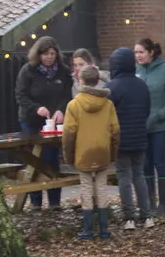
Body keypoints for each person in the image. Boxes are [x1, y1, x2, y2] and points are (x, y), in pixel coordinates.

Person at [62, 65, 119, 239]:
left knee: (86, 189)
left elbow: (69, 134)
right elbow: (115, 131)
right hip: (102, 151)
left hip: (83, 153)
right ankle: (104, 229)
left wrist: (69, 156)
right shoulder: (108, 104)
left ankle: (87, 229)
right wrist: (112, 154)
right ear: (97, 80)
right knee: (101, 188)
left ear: (81, 80)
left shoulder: (74, 105)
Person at [15, 36, 71, 210]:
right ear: (38, 54)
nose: (49, 57)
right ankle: (36, 201)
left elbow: (66, 95)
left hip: (53, 121)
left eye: (52, 54)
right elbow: (20, 95)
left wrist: (61, 109)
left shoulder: (63, 71)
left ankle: (55, 201)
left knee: (51, 158)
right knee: (34, 159)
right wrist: (35, 108)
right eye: (45, 54)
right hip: (32, 120)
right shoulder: (28, 71)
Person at [107, 47, 155, 229]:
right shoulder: (141, 85)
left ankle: (129, 217)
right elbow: (147, 110)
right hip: (140, 136)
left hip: (121, 139)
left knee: (124, 178)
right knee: (139, 176)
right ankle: (147, 215)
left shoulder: (111, 87)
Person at [135, 39, 165, 216]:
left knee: (158, 161)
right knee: (145, 163)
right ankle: (149, 202)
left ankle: (163, 204)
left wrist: (162, 114)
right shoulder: (136, 70)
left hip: (160, 124)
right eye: (136, 53)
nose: (138, 56)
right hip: (141, 124)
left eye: (141, 52)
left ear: (151, 52)